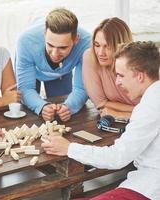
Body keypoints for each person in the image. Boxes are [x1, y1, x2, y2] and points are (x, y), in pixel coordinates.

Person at [42, 41, 160, 199]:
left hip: (149, 187)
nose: (117, 82)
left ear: (139, 76)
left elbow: (117, 158)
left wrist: (69, 148)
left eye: (121, 75)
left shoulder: (150, 106)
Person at [15, 8, 91, 122]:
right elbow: (26, 89)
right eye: (50, 45)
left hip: (62, 72)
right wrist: (42, 107)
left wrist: (68, 107)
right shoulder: (25, 41)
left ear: (76, 40)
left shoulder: (87, 44)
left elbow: (81, 88)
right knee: (30, 114)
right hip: (33, 71)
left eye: (63, 47)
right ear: (45, 34)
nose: (55, 54)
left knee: (61, 114)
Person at [83, 17, 139, 120]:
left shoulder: (141, 64)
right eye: (97, 45)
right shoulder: (90, 57)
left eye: (108, 46)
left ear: (122, 45)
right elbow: (101, 104)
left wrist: (121, 114)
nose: (100, 53)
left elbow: (154, 111)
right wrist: (139, 109)